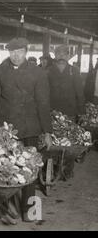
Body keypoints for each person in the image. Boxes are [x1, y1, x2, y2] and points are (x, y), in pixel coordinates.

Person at [0, 37, 52, 222]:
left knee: (29, 170)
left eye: (20, 51)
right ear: (8, 52)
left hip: (30, 127)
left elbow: (43, 103)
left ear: (26, 52)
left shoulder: (38, 73)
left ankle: (29, 211)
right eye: (12, 52)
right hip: (5, 128)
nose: (16, 55)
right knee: (3, 168)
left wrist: (47, 131)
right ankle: (3, 208)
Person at [47, 45, 85, 179]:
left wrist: (81, 112)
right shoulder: (48, 71)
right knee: (53, 141)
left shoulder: (74, 71)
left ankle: (68, 168)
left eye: (64, 54)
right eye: (59, 54)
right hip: (52, 112)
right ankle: (53, 167)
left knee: (70, 141)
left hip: (69, 112)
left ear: (68, 56)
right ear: (55, 55)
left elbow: (79, 93)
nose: (61, 56)